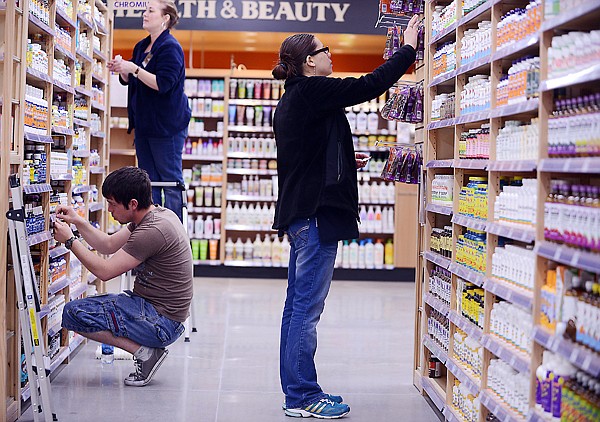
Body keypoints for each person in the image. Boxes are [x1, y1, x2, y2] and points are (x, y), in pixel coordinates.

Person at [271, 15, 420, 419]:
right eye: (323, 50)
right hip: (316, 216)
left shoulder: (290, 100)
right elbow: (369, 85)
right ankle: (302, 395)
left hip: (301, 216)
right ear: (307, 62)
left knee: (296, 307)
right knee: (307, 308)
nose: (329, 54)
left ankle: (296, 390)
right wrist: (407, 47)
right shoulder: (311, 91)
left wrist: (340, 161)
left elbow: (303, 157)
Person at [52, 166, 193, 387]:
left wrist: (70, 241)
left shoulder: (151, 232)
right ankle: (146, 351)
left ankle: (146, 353)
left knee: (74, 313)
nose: (109, 210)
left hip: (161, 322)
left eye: (113, 204)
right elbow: (107, 245)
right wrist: (78, 221)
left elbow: (105, 272)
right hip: (158, 312)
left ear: (133, 204)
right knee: (81, 310)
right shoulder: (155, 215)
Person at [107, 0, 190, 222]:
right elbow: (133, 81)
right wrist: (122, 71)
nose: (144, 14)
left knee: (170, 182)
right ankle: (151, 231)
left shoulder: (170, 47)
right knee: (148, 183)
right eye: (145, 10)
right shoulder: (141, 46)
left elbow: (163, 83)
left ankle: (173, 234)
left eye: (150, 11)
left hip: (166, 127)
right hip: (144, 126)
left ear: (166, 18)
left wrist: (133, 68)